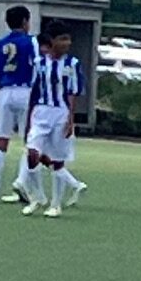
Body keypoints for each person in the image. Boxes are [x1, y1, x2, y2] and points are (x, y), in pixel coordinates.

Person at [21, 26, 84, 219]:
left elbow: (73, 92)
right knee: (32, 154)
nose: (67, 43)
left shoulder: (72, 64)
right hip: (41, 112)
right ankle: (37, 197)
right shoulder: (39, 63)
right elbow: (34, 91)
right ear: (52, 40)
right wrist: (29, 119)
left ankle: (56, 204)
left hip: (61, 113)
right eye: (62, 39)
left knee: (57, 160)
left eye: (68, 39)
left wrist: (70, 119)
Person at [0, 4, 38, 202]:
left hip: (4, 91)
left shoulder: (0, 43)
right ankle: (21, 182)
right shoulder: (32, 42)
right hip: (26, 91)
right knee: (30, 141)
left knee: (0, 141)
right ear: (25, 22)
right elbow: (37, 66)